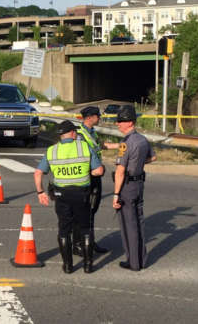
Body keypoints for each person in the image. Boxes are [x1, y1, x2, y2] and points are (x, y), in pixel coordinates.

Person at [34, 120, 104, 274]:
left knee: (64, 230)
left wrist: (40, 192)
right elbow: (98, 171)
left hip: (62, 196)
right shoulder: (84, 147)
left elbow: (38, 173)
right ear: (73, 133)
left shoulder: (52, 150)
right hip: (82, 195)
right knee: (85, 229)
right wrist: (88, 172)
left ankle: (67, 266)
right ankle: (88, 265)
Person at [111, 105, 156, 272]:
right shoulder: (142, 139)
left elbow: (120, 171)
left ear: (130, 122)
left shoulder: (126, 143)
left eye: (120, 121)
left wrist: (116, 194)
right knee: (139, 221)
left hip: (127, 186)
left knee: (128, 224)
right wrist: (138, 163)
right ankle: (142, 260)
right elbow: (153, 157)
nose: (118, 124)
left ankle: (133, 262)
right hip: (139, 184)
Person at [72, 106, 108, 256]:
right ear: (89, 117)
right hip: (86, 177)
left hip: (96, 175)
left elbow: (98, 147)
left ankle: (89, 241)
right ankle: (77, 244)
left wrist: (118, 146)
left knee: (92, 210)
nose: (99, 118)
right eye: (97, 116)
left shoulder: (92, 132)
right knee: (82, 211)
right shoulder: (80, 134)